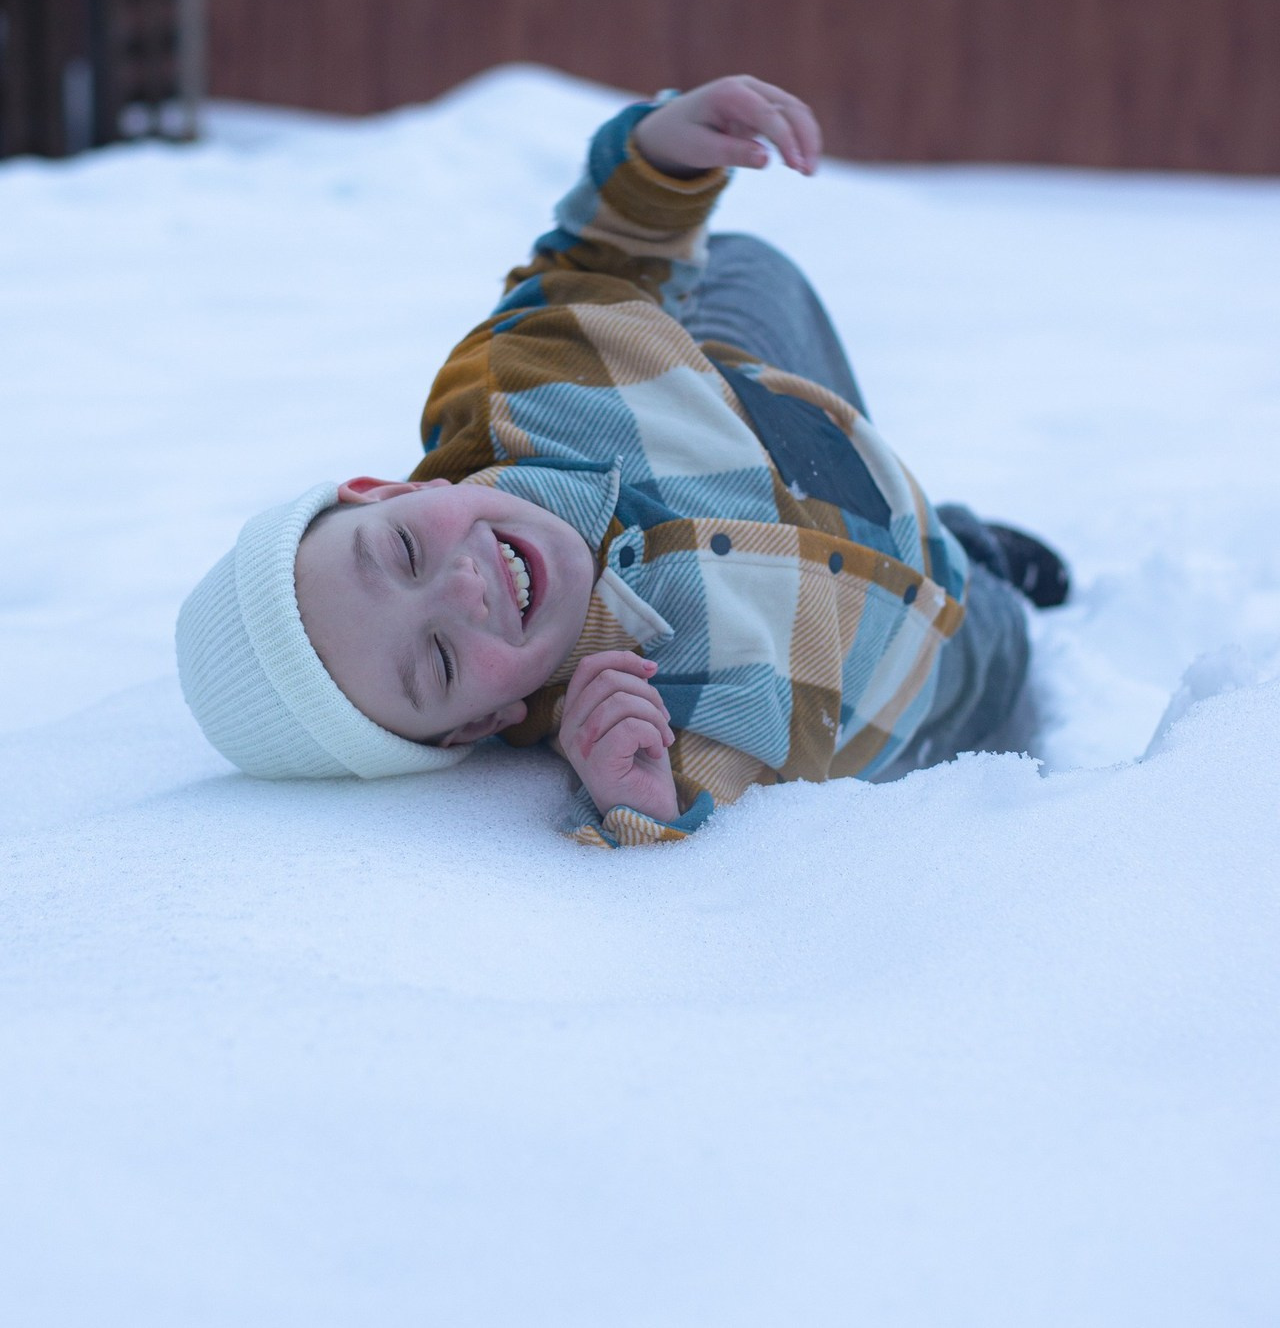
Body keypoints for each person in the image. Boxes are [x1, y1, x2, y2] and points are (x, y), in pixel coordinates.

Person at [177, 75, 1069, 848]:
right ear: (476, 727)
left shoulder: (525, 385)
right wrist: (643, 809)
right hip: (907, 646)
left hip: (779, 423)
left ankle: (926, 513)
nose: (461, 592)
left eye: (405, 550)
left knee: (749, 269)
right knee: (1001, 643)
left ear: (391, 489)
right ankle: (969, 552)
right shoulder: (651, 719)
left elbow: (591, 261)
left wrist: (658, 157)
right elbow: (700, 842)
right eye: (440, 662)